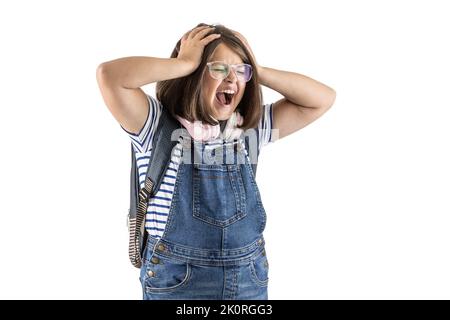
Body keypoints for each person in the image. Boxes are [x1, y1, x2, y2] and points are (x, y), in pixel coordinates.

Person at [96, 23, 336, 300]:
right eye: (219, 68)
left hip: (248, 278)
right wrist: (184, 63)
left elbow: (321, 99)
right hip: (177, 281)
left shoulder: (247, 130)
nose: (232, 79)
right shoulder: (154, 126)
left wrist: (257, 70)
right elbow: (110, 76)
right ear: (192, 74)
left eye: (240, 70)